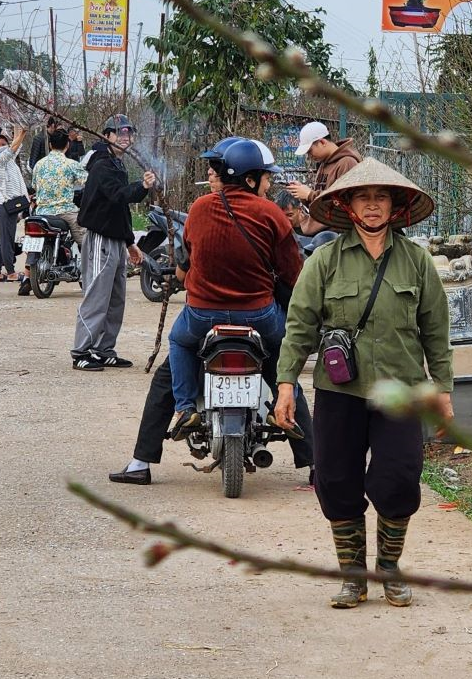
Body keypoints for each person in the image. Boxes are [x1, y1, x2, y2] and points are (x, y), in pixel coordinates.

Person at [274, 159, 453, 609]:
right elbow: (299, 326)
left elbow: (436, 330)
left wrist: (444, 391)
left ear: (395, 206)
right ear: (347, 205)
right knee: (336, 479)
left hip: (402, 391)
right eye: (363, 197)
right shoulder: (325, 261)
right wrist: (286, 384)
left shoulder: (416, 261)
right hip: (340, 393)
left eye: (381, 197)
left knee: (399, 477)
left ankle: (389, 569)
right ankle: (353, 577)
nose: (372, 205)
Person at [168, 138, 303, 436]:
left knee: (179, 341)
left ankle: (185, 408)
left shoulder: (199, 208)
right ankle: (286, 413)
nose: (268, 186)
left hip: (202, 315)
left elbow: (189, 255)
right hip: (258, 316)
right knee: (283, 348)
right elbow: (293, 272)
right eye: (267, 178)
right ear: (251, 179)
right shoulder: (272, 214)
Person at [73, 114, 157, 370]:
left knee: (116, 298)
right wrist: (141, 186)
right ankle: (81, 351)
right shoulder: (102, 165)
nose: (124, 137)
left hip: (116, 240)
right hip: (100, 239)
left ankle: (103, 349)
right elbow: (117, 196)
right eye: (119, 133)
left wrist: (129, 242)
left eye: (128, 133)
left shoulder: (117, 164)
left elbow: (120, 210)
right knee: (97, 296)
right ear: (107, 136)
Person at [30, 127, 88, 247]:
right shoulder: (71, 164)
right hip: (65, 211)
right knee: (86, 242)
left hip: (41, 211)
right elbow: (88, 183)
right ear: (67, 144)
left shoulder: (39, 165)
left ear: (50, 145)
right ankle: (90, 264)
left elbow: (34, 186)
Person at [0, 126, 29, 285]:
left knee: (4, 239)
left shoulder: (9, 160)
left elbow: (16, 146)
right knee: (7, 240)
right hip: (5, 205)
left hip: (10, 205)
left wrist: (20, 129)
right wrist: (22, 132)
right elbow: (13, 148)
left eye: (2, 144)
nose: (0, 147)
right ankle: (11, 272)